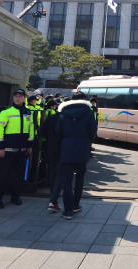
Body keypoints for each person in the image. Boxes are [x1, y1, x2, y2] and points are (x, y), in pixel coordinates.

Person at [55, 91, 96, 219]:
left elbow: (58, 132)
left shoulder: (63, 112)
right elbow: (92, 131)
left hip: (66, 149)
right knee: (79, 179)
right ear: (84, 99)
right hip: (82, 150)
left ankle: (68, 211)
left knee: (66, 182)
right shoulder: (89, 112)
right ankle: (76, 205)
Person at [0, 89, 34, 209]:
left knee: (18, 175)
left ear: (24, 98)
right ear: (13, 98)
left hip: (22, 150)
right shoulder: (6, 112)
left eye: (20, 96)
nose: (18, 98)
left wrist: (30, 145)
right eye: (16, 96)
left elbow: (31, 129)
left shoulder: (28, 112)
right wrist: (0, 147)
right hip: (7, 150)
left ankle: (15, 196)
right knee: (3, 175)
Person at [41, 99, 62, 213]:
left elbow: (42, 132)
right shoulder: (66, 119)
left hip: (50, 150)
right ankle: (54, 200)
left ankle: (52, 194)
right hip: (63, 152)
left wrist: (47, 142)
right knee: (61, 174)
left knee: (52, 172)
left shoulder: (51, 118)